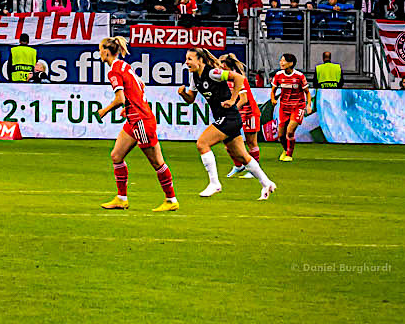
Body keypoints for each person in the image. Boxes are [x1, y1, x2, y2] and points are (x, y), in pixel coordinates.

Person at [180, 47, 276, 200]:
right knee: (242, 156)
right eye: (186, 59)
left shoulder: (213, 73)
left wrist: (232, 100)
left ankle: (214, 183)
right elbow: (190, 99)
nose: (187, 62)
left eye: (190, 59)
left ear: (200, 60)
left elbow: (239, 78)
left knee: (202, 144)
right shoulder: (194, 77)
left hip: (229, 117)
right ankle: (267, 183)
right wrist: (183, 93)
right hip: (226, 117)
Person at [97, 34, 178, 213]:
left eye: (101, 49)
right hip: (135, 118)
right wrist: (130, 107)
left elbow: (120, 98)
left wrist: (105, 110)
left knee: (157, 162)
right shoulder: (125, 66)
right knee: (116, 155)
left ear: (106, 51)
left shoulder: (114, 71)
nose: (99, 53)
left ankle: (171, 199)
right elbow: (140, 86)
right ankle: (121, 198)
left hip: (140, 120)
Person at [268, 53, 311, 161]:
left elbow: (307, 92)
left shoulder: (299, 76)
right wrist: (273, 99)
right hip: (284, 108)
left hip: (298, 107)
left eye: (283, 61)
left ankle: (289, 155)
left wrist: (308, 106)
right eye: (281, 60)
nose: (281, 63)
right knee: (281, 135)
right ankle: (285, 150)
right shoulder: (278, 75)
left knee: (290, 131)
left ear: (291, 63)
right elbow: (273, 90)